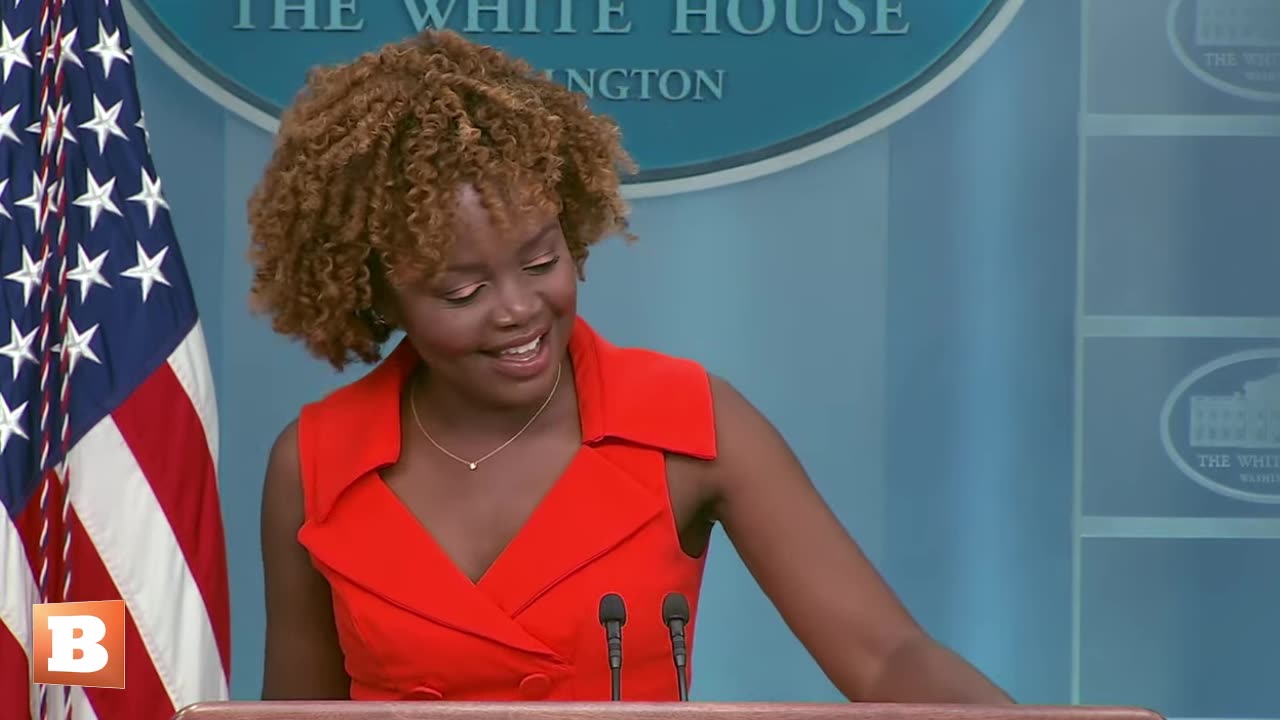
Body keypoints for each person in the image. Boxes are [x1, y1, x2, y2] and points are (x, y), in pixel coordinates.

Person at [249, 28, 1013, 704]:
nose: (518, 308)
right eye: (463, 290)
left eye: (541, 261)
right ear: (375, 292)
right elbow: (297, 712)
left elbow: (887, 660)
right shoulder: (314, 463)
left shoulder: (687, 418)